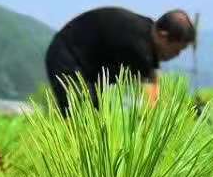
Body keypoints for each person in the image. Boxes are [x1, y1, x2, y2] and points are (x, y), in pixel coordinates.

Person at [45, 7, 196, 113]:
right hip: (67, 56)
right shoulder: (138, 46)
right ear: (163, 36)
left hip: (87, 66)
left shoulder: (146, 33)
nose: (176, 55)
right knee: (81, 114)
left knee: (95, 114)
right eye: (177, 49)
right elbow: (152, 101)